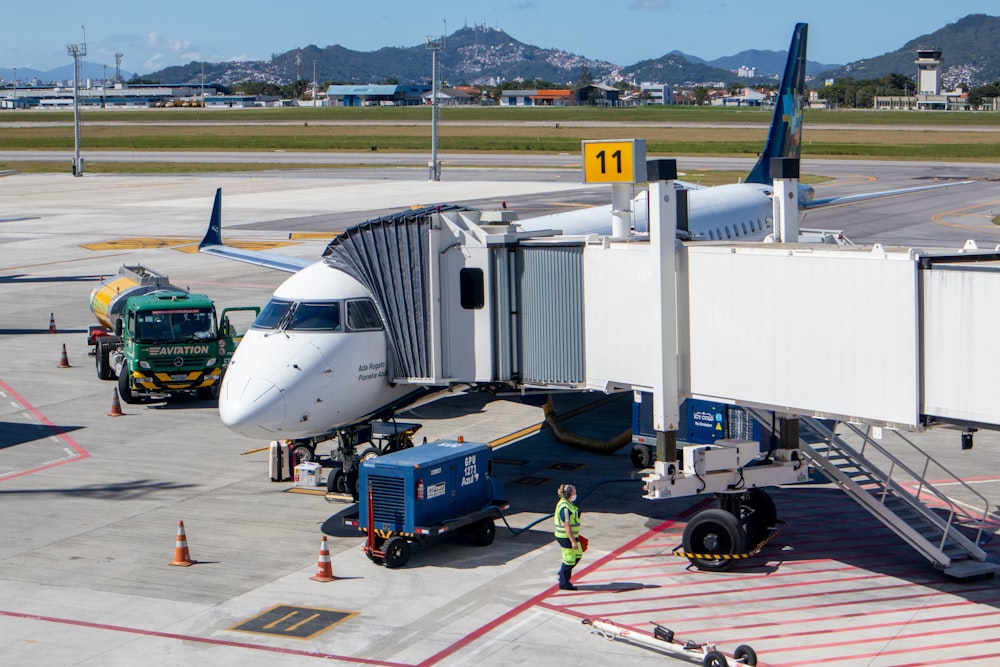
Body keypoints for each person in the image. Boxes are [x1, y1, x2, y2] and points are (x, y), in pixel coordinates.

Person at [553, 483, 583, 590]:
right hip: (565, 537)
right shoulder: (565, 507)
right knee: (569, 560)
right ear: (569, 494)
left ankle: (562, 573)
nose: (576, 494)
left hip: (572, 536)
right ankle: (564, 582)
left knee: (578, 554)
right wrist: (573, 541)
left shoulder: (568, 503)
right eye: (574, 492)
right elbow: (566, 525)